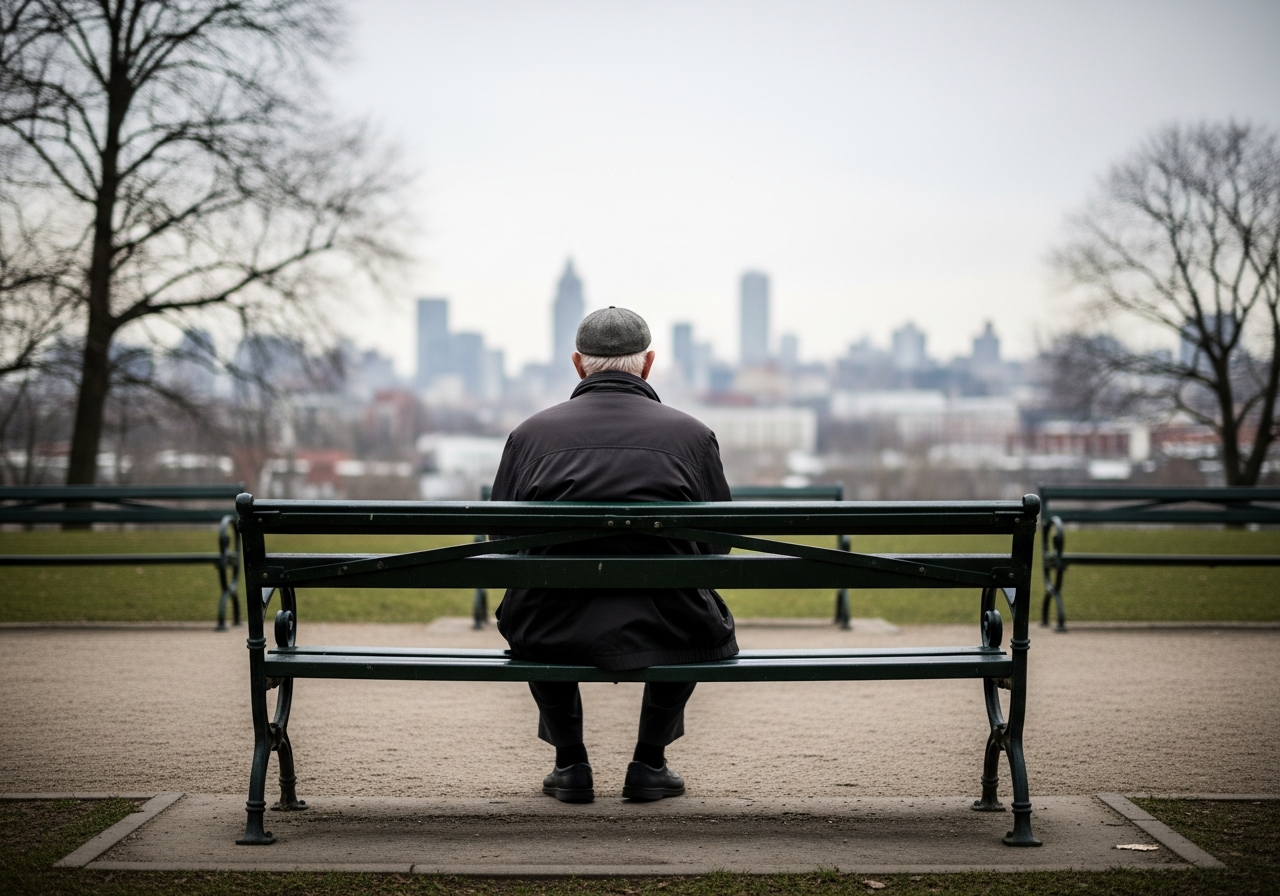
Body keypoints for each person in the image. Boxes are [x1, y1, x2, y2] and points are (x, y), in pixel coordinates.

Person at [490, 306, 737, 803]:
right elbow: (717, 544)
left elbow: (502, 539)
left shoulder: (530, 435)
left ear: (579, 364)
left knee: (531, 605)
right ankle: (649, 762)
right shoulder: (691, 435)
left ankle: (570, 764)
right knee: (697, 612)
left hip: (550, 623)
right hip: (671, 620)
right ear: (647, 365)